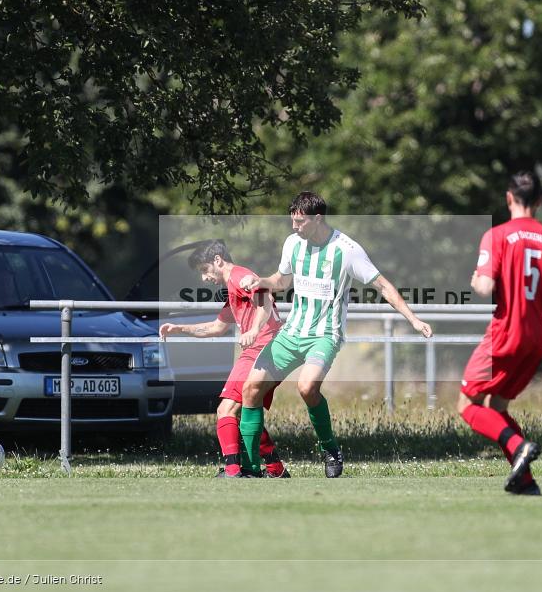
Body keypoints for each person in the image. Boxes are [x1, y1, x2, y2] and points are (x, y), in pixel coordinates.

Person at [238, 191, 433, 478]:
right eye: (293, 221)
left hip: (325, 334)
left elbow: (383, 286)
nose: (295, 227)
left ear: (318, 219)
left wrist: (413, 319)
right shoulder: (293, 243)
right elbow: (281, 280)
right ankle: (252, 468)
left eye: (301, 222)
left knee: (307, 388)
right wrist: (260, 281)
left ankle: (330, 449)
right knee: (250, 389)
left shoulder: (347, 249)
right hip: (292, 333)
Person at [460, 171, 542, 495]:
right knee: (497, 407)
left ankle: (519, 445)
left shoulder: (497, 235)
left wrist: (475, 279)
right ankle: (525, 481)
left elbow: (484, 287)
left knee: (467, 405)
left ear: (509, 198)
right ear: (539, 202)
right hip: (536, 338)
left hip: (504, 333)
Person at [159, 240, 289, 478]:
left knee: (225, 410)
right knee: (246, 410)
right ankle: (275, 468)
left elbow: (265, 301)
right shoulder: (232, 288)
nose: (204, 278)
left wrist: (254, 330)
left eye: (204, 270)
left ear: (218, 260)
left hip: (262, 349)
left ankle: (232, 470)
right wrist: (179, 328)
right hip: (266, 350)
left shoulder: (241, 277)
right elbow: (217, 327)